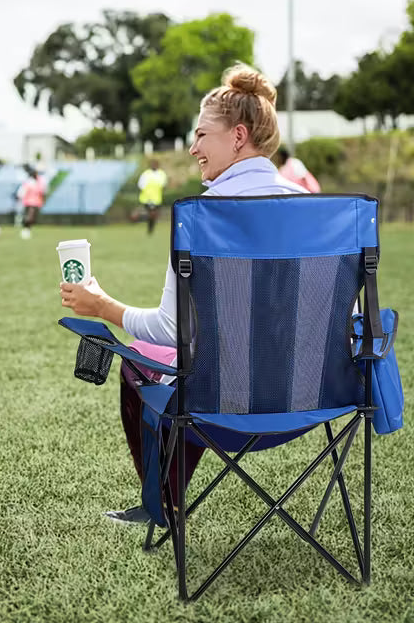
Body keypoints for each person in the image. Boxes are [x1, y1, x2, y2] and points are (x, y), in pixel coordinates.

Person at [59, 64, 307, 525]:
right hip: (314, 402)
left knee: (142, 359)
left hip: (221, 405)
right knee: (192, 362)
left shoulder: (204, 216)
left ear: (237, 136)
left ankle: (165, 503)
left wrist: (103, 306)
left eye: (200, 135)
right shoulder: (316, 210)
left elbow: (172, 331)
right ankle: (166, 500)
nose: (192, 148)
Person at [135, 159, 168, 235]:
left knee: (153, 215)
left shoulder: (161, 174)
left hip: (157, 199)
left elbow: (163, 184)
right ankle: (148, 227)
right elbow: (140, 184)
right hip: (147, 198)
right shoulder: (146, 174)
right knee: (151, 214)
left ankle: (150, 227)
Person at [17, 165, 47, 240]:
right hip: (30, 203)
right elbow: (22, 192)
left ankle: (27, 230)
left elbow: (43, 192)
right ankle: (25, 230)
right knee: (29, 217)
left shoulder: (40, 181)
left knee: (32, 219)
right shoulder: (29, 182)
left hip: (36, 203)